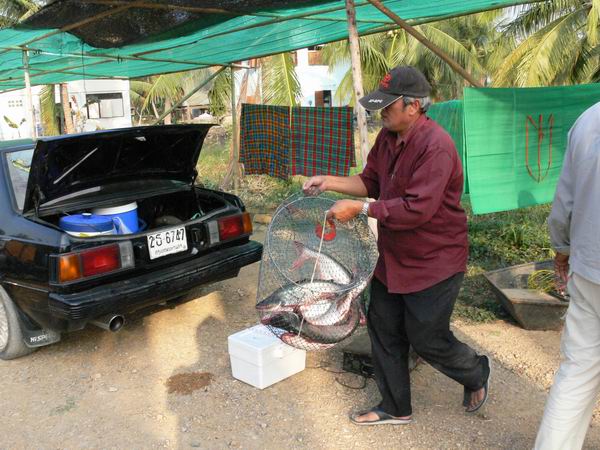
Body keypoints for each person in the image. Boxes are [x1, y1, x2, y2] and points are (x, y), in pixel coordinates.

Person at [303, 66, 490, 425]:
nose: (381, 112)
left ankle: (476, 372)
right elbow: (369, 181)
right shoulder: (388, 138)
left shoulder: (436, 146)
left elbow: (417, 209)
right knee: (383, 326)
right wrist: (329, 182)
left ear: (414, 106)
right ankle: (395, 407)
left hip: (434, 259)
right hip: (394, 256)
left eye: (389, 105)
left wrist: (361, 209)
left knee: (426, 338)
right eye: (380, 105)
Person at [534, 102, 600, 450]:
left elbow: (565, 203)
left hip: (590, 268)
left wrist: (562, 248)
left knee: (577, 373)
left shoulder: (589, 119)